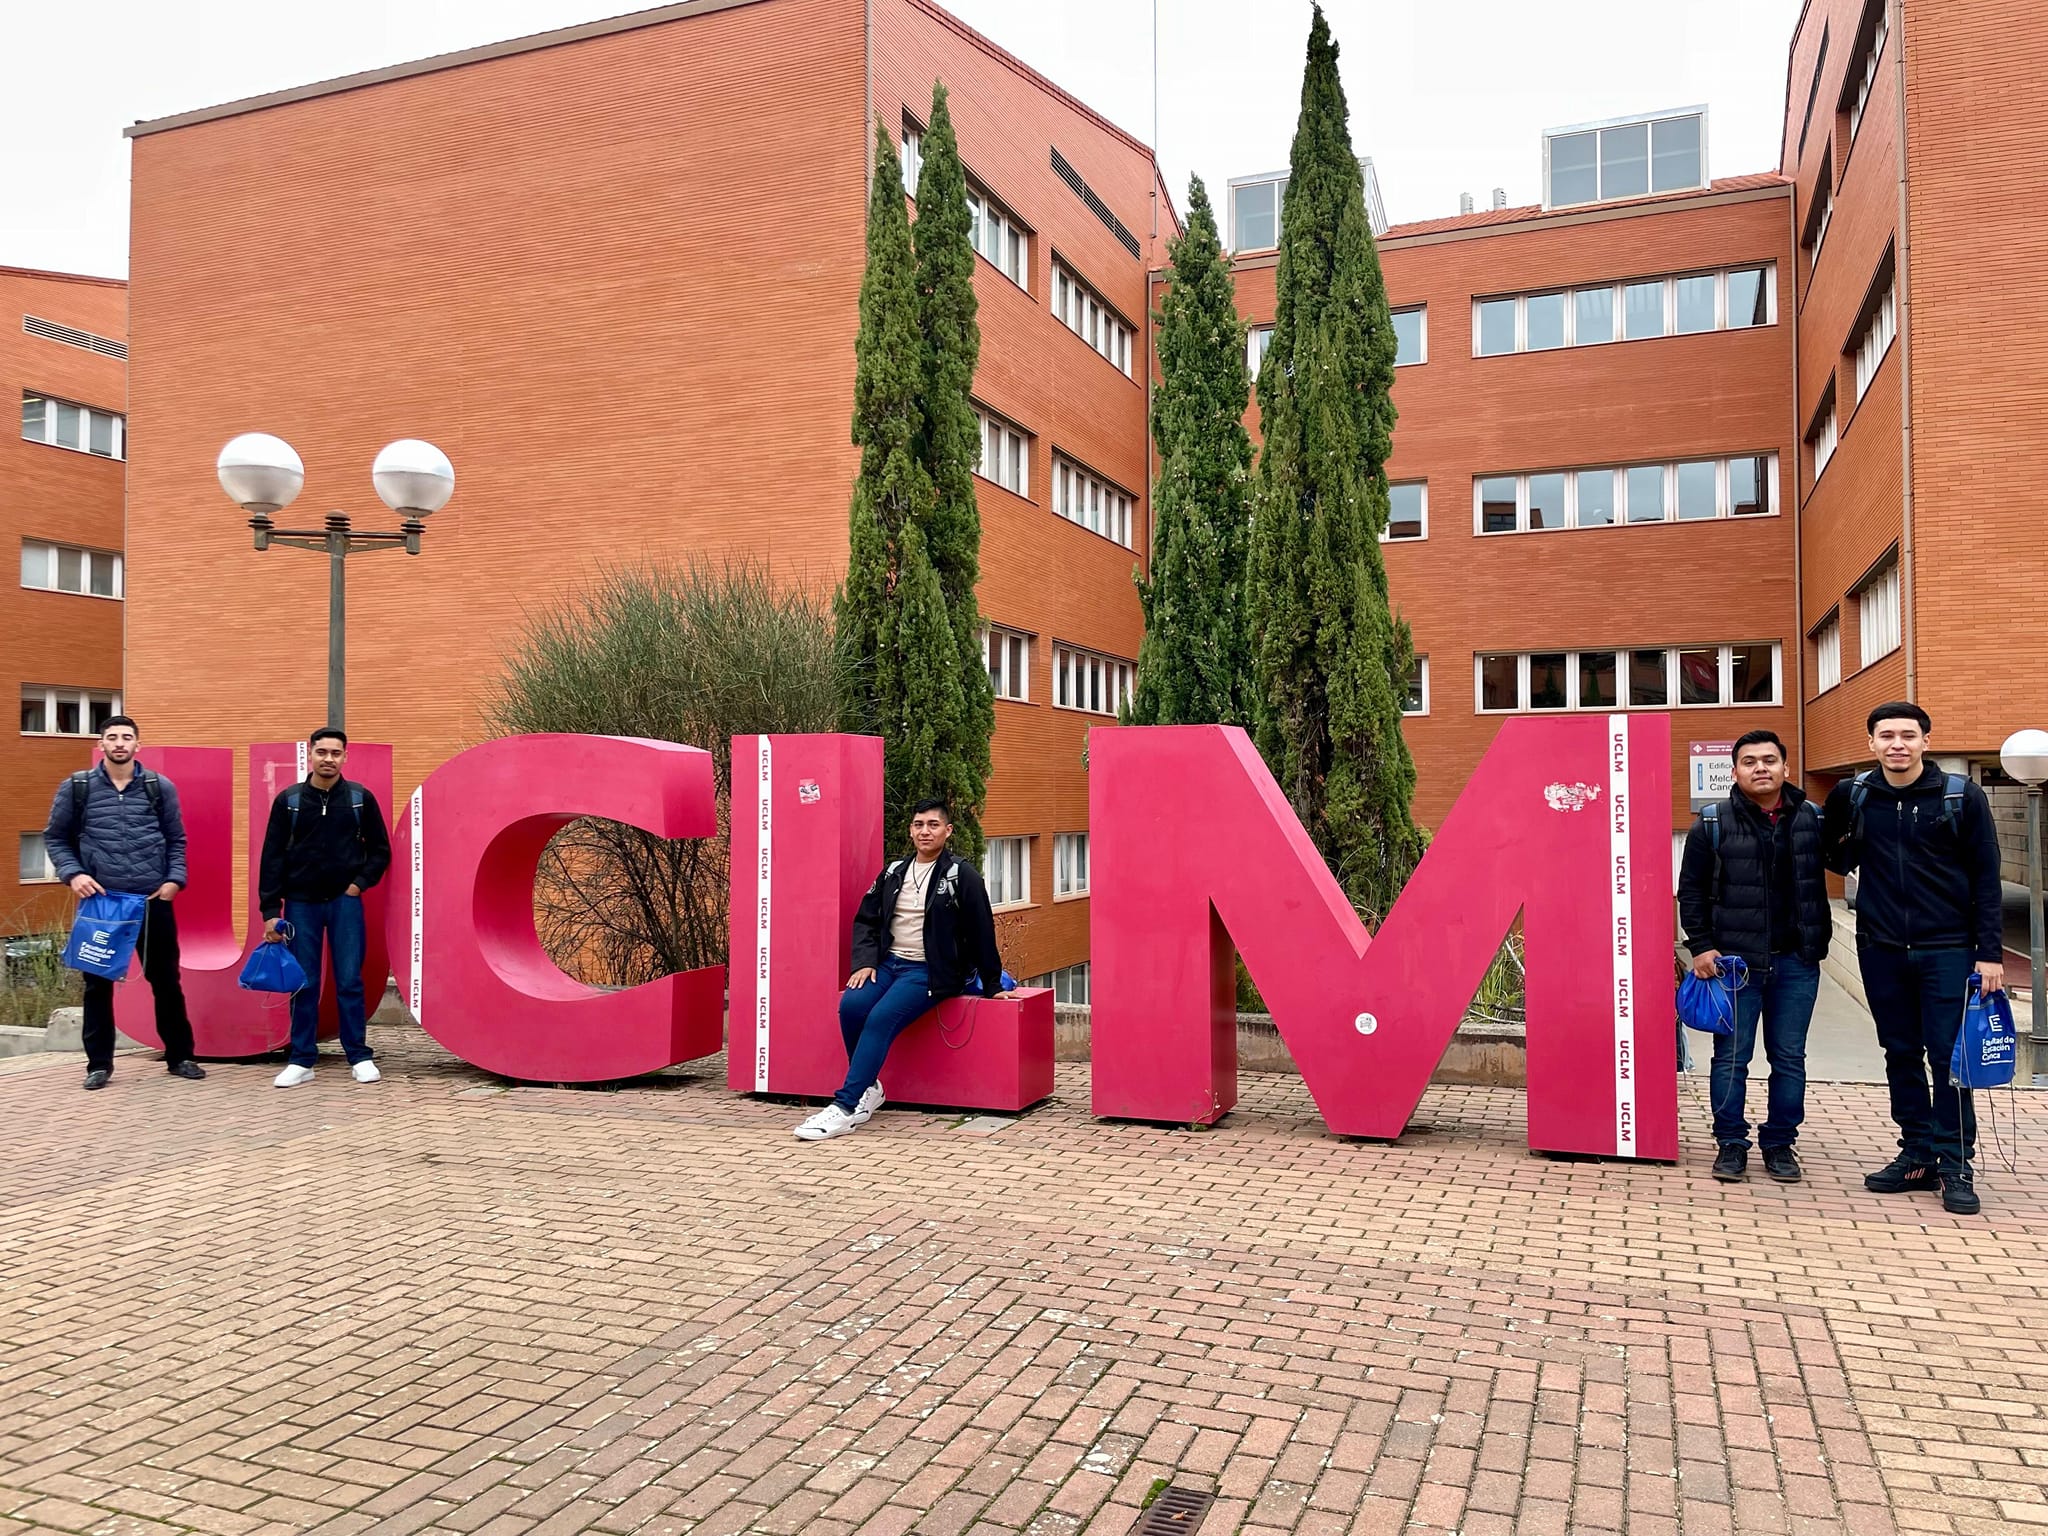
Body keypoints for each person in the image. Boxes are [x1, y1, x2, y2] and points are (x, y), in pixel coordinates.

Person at [1823, 702, 2005, 1216]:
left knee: (1948, 1061)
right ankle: (1918, 1154)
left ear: (1926, 740)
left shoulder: (1959, 796)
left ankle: (1955, 1164)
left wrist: (1989, 953)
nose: (1897, 744)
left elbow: (1987, 879)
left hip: (1948, 950)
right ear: (1872, 743)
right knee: (1899, 1053)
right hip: (1881, 948)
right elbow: (1834, 858)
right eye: (1886, 735)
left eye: (1908, 735)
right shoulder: (1853, 795)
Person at [795, 799, 1014, 1142]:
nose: (924, 831)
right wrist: (865, 962)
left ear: (947, 831)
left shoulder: (961, 875)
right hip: (888, 964)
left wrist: (991, 982)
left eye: (932, 824)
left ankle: (846, 1106)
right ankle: (869, 1088)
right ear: (911, 830)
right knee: (852, 1006)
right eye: (918, 825)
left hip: (929, 971)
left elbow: (982, 929)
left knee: (881, 1018)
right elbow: (866, 920)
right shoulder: (893, 872)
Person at [1677, 729, 1831, 1184]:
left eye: (1769, 760)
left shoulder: (1813, 820)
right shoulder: (1712, 823)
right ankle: (1731, 1143)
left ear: (1785, 767)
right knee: (1730, 1058)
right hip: (1734, 969)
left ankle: (1781, 1144)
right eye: (1749, 761)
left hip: (1797, 962)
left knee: (1789, 1058)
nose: (1760, 767)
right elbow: (1692, 892)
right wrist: (1701, 945)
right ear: (1735, 771)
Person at [42, 715, 203, 1090]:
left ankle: (180, 1055)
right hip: (102, 903)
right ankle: (98, 1065)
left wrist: (174, 881)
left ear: (137, 745)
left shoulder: (158, 787)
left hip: (152, 900)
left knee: (166, 980)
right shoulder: (77, 787)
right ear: (102, 744)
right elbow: (56, 838)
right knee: (97, 984)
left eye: (126, 737)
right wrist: (73, 874)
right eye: (112, 737)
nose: (119, 743)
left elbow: (176, 840)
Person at [259, 728, 393, 1087]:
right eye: (322, 752)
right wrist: (271, 910)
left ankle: (359, 1056)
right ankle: (302, 1060)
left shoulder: (358, 798)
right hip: (301, 905)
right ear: (310, 754)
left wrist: (357, 886)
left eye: (336, 752)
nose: (329, 759)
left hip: (343, 903)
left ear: (345, 757)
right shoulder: (289, 801)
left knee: (349, 980)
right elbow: (271, 858)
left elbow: (380, 850)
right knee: (304, 982)